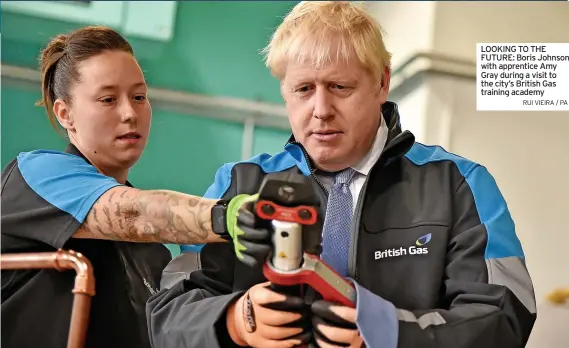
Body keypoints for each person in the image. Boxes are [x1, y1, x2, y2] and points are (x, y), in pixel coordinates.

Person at [146, 2, 537, 347]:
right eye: (303, 89)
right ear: (284, 91)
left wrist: (389, 335)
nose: (321, 109)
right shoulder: (238, 185)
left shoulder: (459, 184)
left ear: (382, 82)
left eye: (339, 87)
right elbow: (169, 313)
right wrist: (235, 320)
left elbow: (505, 315)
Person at [1, 26, 242, 348]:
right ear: (65, 113)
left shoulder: (155, 257)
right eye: (108, 99)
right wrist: (238, 216)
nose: (130, 113)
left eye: (139, 97)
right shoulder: (38, 175)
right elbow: (136, 214)